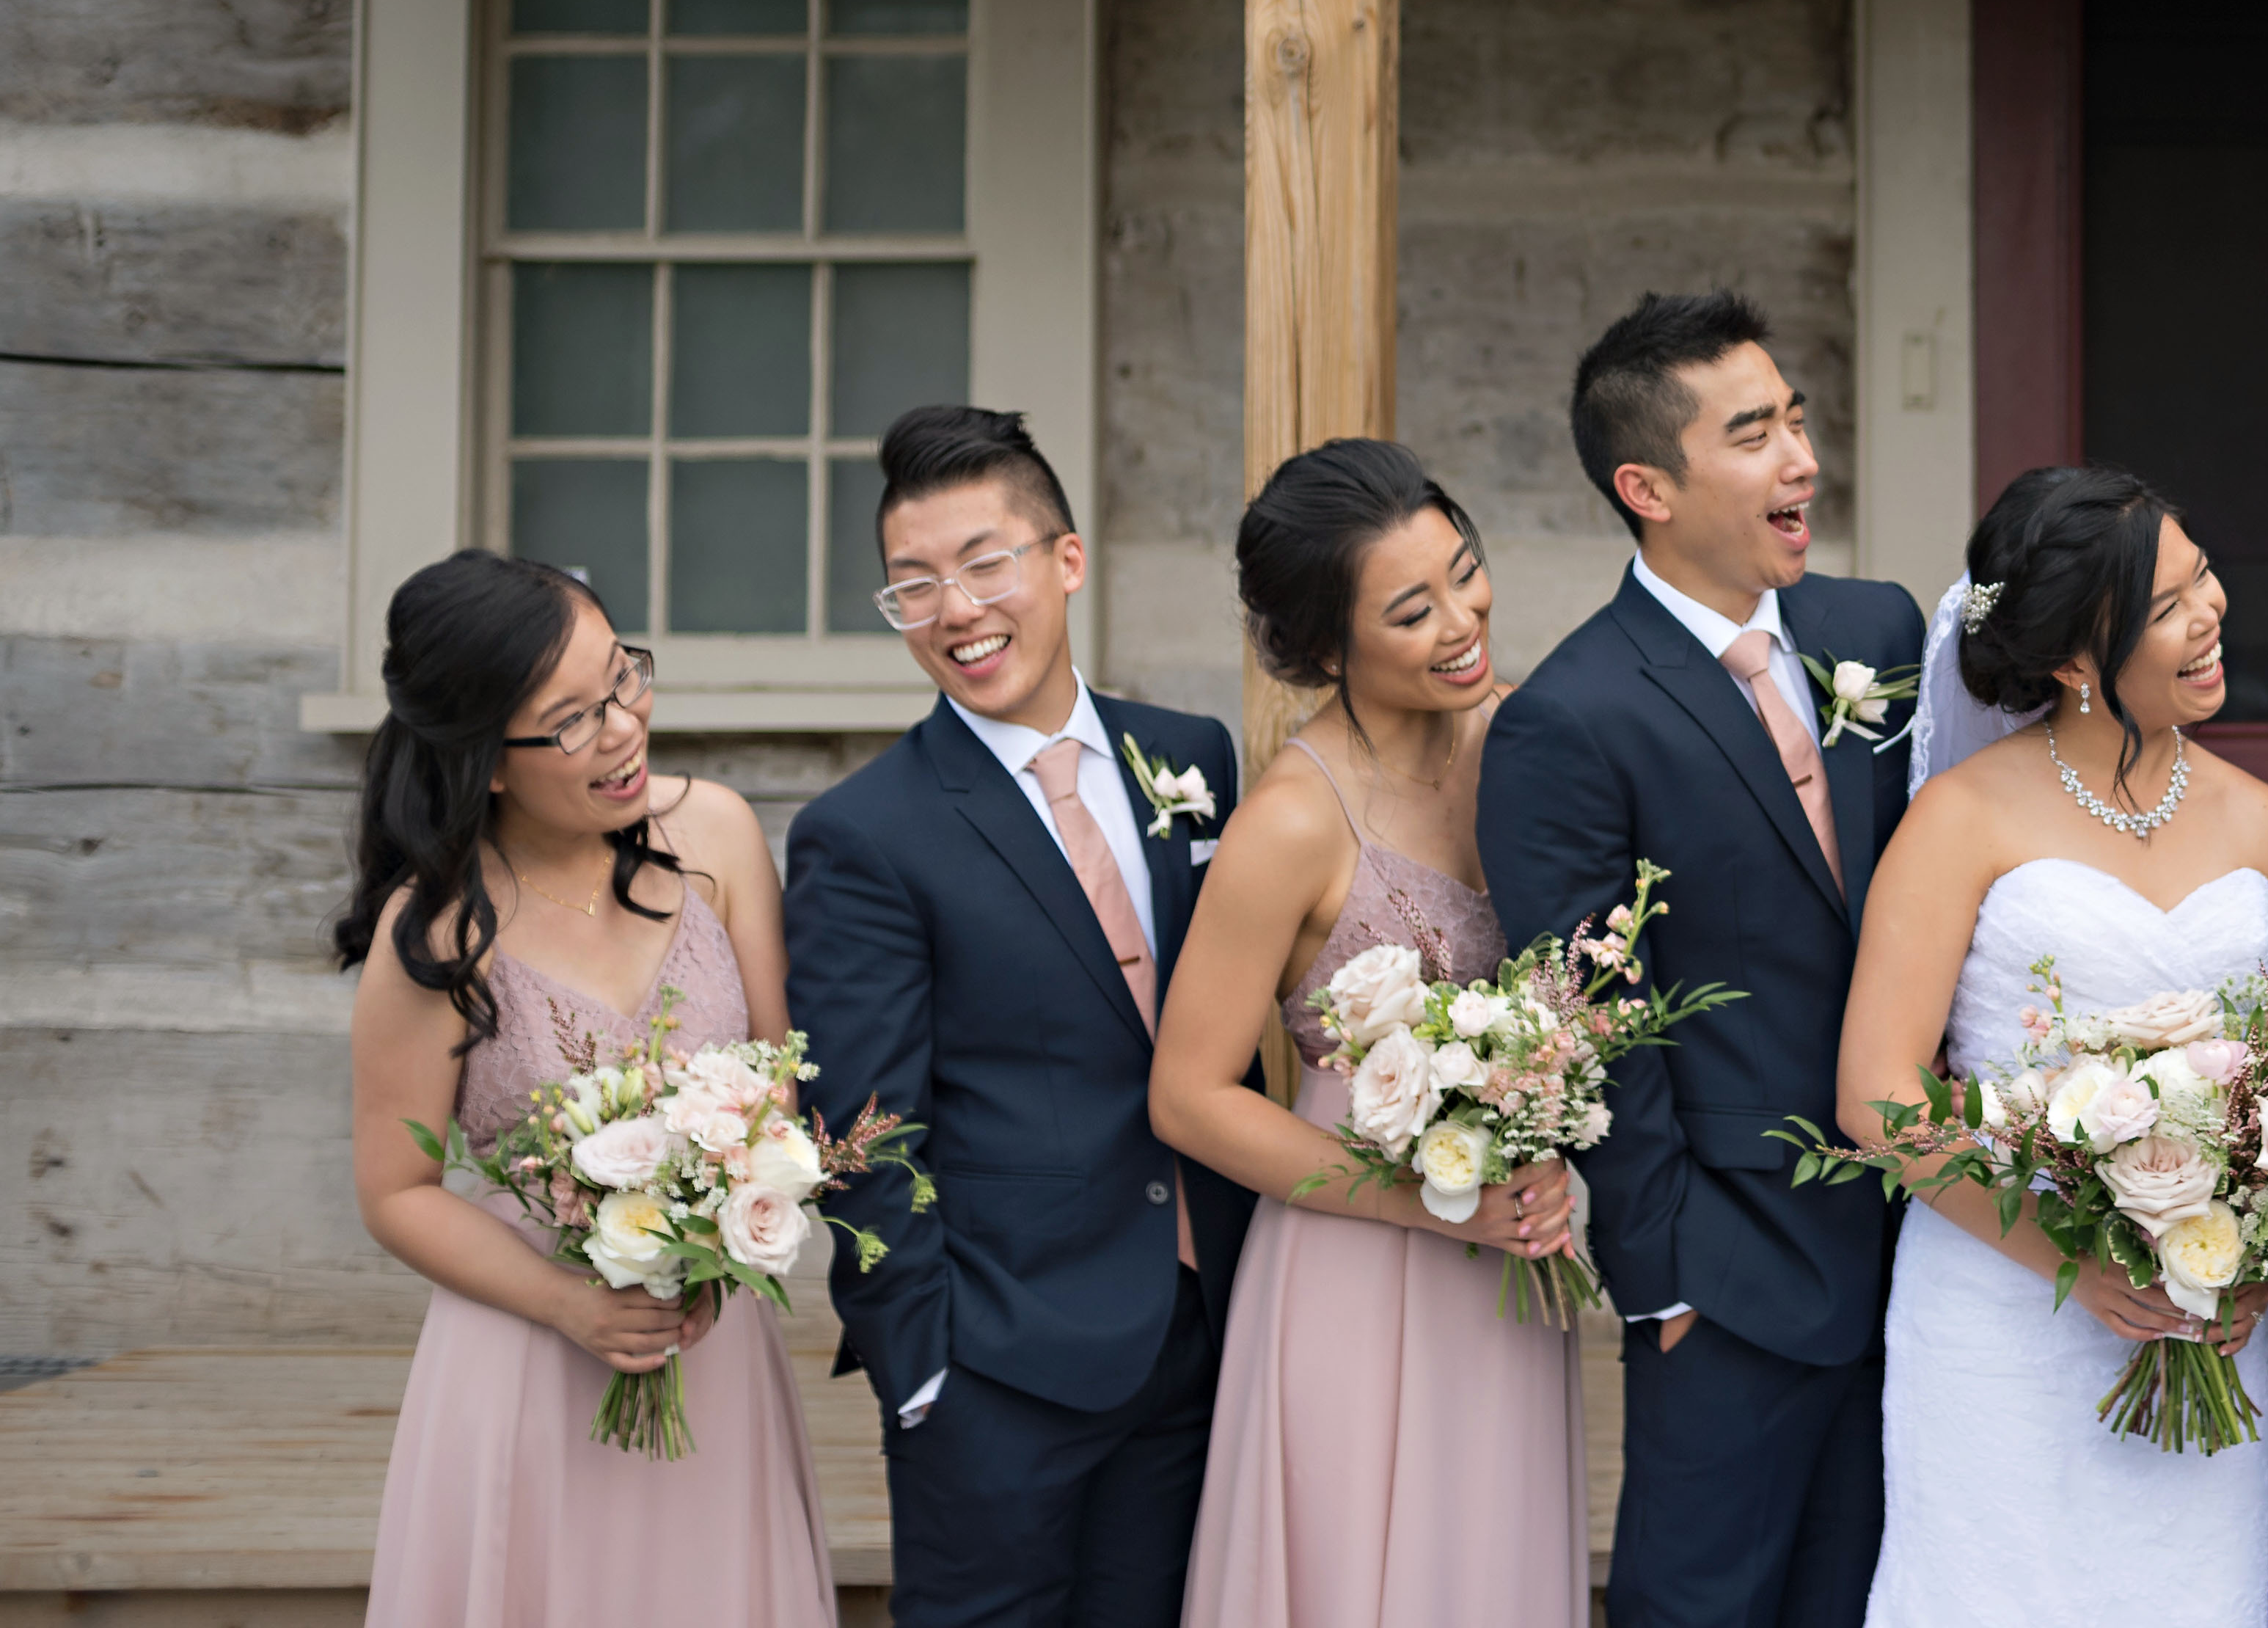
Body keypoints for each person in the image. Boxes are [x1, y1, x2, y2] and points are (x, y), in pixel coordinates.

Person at [1475, 290, 1927, 1628]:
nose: (1801, 457)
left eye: (1795, 418)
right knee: (1704, 1600)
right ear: (1648, 486)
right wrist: (1664, 1280)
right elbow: (1592, 1015)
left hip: (1928, 1241)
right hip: (1732, 1268)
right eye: (1754, 434)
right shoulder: (1571, 718)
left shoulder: (1882, 633)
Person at [784, 405, 1255, 1628]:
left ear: (1066, 561)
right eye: (914, 586)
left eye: (985, 564)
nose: (956, 609)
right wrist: (922, 1365)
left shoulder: (1189, 758)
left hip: (1204, 1329)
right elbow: (864, 1128)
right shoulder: (867, 834)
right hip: (998, 1366)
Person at [1843, 466, 2268, 1628]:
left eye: (2202, 577)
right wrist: (2068, 1255)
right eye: (2165, 608)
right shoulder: (1961, 819)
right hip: (2000, 1317)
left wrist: (2249, 1253)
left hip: (2201, 1316)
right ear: (2068, 661)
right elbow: (1876, 1096)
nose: (2208, 615)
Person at [340, 549, 830, 1627]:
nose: (621, 728)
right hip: (529, 1352)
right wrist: (574, 1303)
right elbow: (397, 1189)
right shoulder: (438, 933)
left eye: (625, 678)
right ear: (490, 760)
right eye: (570, 721)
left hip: (710, 1341)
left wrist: (728, 1216)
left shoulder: (718, 836)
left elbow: (777, 1073)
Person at [1159, 439, 1587, 1627]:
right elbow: (1189, 1095)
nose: (1462, 619)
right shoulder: (1290, 822)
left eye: (1467, 572)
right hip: (1355, 1261)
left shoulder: (1531, 744)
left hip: (1509, 1264)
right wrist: (1413, 1199)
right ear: (1323, 646)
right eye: (1412, 609)